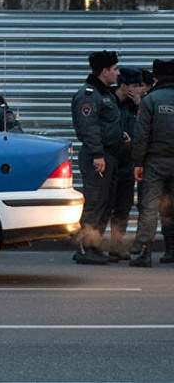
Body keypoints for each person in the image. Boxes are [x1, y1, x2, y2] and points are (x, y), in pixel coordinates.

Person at [70, 50, 123, 265]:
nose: (118, 73)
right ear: (104, 71)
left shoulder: (106, 94)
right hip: (97, 158)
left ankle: (95, 244)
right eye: (115, 69)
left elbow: (108, 124)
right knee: (94, 202)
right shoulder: (89, 95)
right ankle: (84, 247)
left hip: (109, 155)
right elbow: (88, 127)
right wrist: (97, 154)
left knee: (106, 202)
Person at [130, 59, 174, 267]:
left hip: (155, 162)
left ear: (156, 78)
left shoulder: (151, 100)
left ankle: (144, 253)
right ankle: (171, 250)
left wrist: (138, 162)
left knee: (149, 207)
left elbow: (141, 135)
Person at [105, 67, 144, 260]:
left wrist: (138, 104)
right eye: (136, 86)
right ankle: (89, 245)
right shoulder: (109, 102)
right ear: (124, 86)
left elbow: (145, 130)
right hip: (109, 161)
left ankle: (116, 246)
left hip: (128, 163)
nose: (139, 89)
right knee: (104, 205)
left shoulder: (136, 106)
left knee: (123, 206)